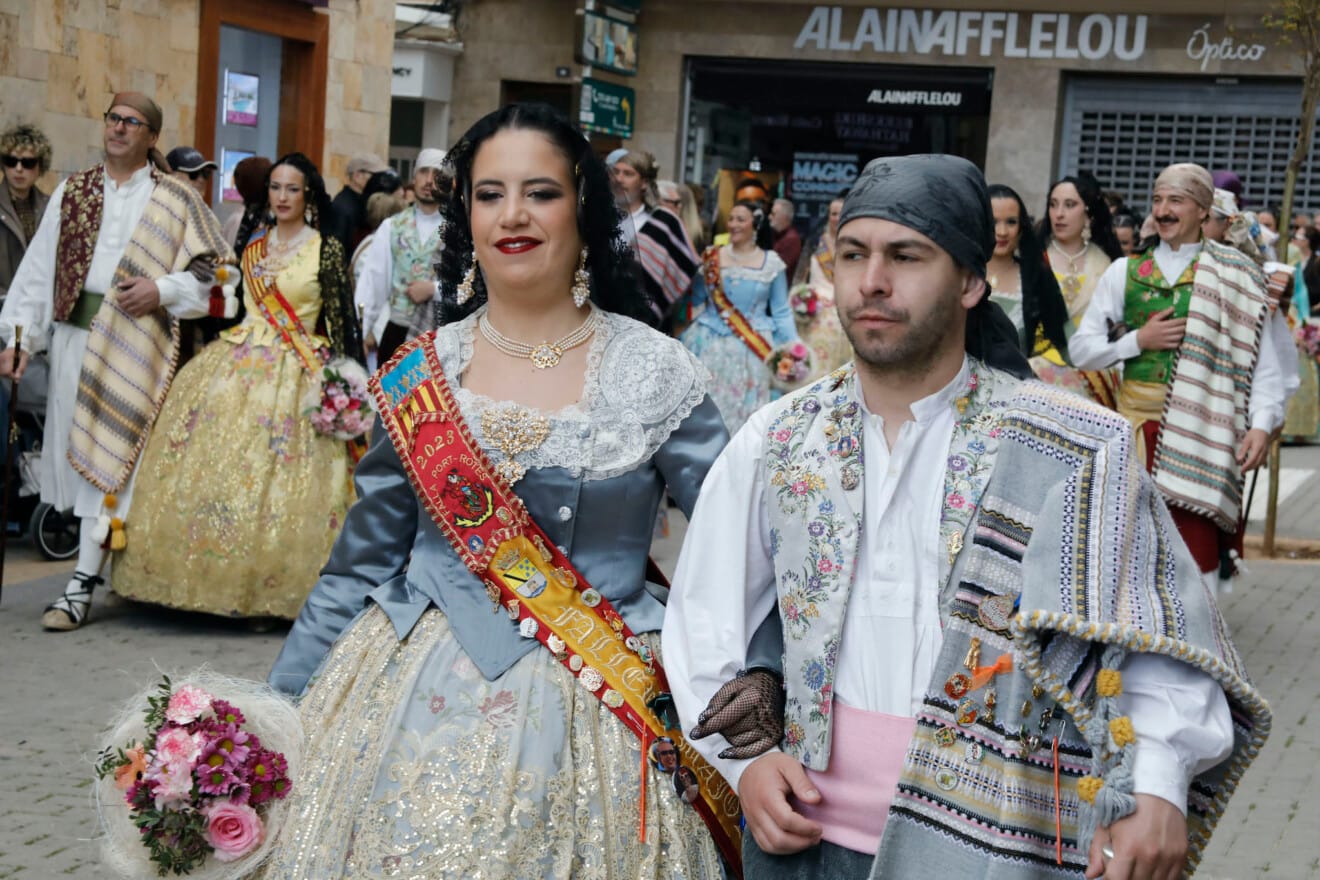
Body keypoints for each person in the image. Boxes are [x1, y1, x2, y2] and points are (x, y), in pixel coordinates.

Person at [663, 154, 1267, 880]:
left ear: (973, 281)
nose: (873, 281)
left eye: (906, 256)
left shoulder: (1070, 444)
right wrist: (749, 767)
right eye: (853, 255)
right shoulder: (778, 437)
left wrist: (1158, 783)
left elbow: (1148, 630)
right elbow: (705, 618)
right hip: (804, 847)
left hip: (1003, 847)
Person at [256, 103, 735, 878]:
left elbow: (736, 548)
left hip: (599, 702)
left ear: (583, 207)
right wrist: (269, 717)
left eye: (540, 192)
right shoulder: (418, 373)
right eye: (488, 194)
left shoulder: (654, 372)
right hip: (400, 695)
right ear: (465, 214)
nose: (513, 214)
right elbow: (357, 567)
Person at [0, 92, 232, 631]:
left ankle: (80, 583)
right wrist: (17, 338)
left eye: (133, 123)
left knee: (117, 460)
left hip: (137, 343)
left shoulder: (175, 197)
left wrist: (162, 289)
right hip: (73, 339)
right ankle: (105, 571)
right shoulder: (73, 191)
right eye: (114, 119)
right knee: (82, 457)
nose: (120, 129)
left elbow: (216, 275)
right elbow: (38, 271)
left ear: (152, 137)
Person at [113, 152, 363, 620]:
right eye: (275, 188)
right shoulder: (252, 246)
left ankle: (274, 594)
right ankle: (195, 583)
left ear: (307, 195)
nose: (282, 197)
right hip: (239, 358)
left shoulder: (325, 247)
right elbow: (238, 308)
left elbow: (340, 319)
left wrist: (344, 380)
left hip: (298, 367)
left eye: (292, 189)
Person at [1071, 163, 1286, 595]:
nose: (1163, 210)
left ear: (1204, 211)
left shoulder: (1237, 277)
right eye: (1157, 199)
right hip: (1135, 436)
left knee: (1194, 561)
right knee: (1128, 558)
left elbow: (1263, 366)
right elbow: (1081, 349)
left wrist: (1262, 425)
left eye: (1176, 200)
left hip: (1203, 436)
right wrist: (1136, 340)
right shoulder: (1125, 272)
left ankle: (1196, 652)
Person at [680, 199, 797, 433]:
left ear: (755, 225)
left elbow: (781, 310)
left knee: (747, 418)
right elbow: (695, 301)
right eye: (731, 218)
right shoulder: (712, 258)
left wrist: (793, 347)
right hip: (708, 343)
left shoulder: (771, 263)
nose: (733, 224)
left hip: (752, 350)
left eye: (740, 219)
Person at [355, 148, 447, 364]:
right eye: (424, 172)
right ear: (414, 177)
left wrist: (433, 290)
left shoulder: (458, 231)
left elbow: (471, 285)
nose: (429, 180)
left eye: (437, 174)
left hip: (440, 333)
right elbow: (374, 282)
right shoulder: (392, 227)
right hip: (397, 330)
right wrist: (361, 331)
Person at [984, 184, 1070, 360]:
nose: (1002, 232)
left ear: (1021, 227)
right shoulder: (960, 273)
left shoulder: (1036, 276)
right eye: (993, 222)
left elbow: (1062, 339)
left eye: (1011, 222)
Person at [794, 195, 852, 375]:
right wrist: (799, 302)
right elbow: (800, 278)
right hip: (815, 315)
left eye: (841, 213)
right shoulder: (815, 242)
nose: (837, 218)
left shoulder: (856, 246)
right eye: (833, 213)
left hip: (846, 315)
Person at [0, 123, 53, 301]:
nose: (19, 169)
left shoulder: (51, 207)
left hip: (37, 306)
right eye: (11, 161)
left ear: (40, 167)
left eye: (28, 163)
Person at [329, 151, 388, 251]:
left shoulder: (362, 201)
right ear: (357, 176)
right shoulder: (343, 207)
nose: (380, 180)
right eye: (375, 175)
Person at [611, 148, 658, 244]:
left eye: (628, 174)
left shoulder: (653, 222)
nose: (618, 179)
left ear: (644, 183)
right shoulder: (599, 214)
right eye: (615, 172)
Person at [770, 198, 803, 280]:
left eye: (773, 214)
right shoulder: (777, 235)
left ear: (784, 217)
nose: (769, 217)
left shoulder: (791, 239)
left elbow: (777, 270)